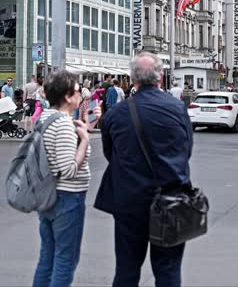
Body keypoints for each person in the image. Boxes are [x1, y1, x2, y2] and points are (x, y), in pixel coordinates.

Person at [94, 52, 193, 287]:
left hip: (129, 201)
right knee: (168, 271)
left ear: (132, 79)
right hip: (171, 200)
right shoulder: (177, 108)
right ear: (160, 77)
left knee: (127, 270)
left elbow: (111, 154)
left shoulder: (116, 114)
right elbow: (186, 150)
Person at [32, 70, 101, 287]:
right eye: (79, 91)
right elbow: (69, 169)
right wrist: (84, 140)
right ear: (68, 96)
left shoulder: (45, 117)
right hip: (67, 197)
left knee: (48, 255)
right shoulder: (62, 123)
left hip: (48, 195)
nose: (83, 96)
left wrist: (86, 126)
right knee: (65, 259)